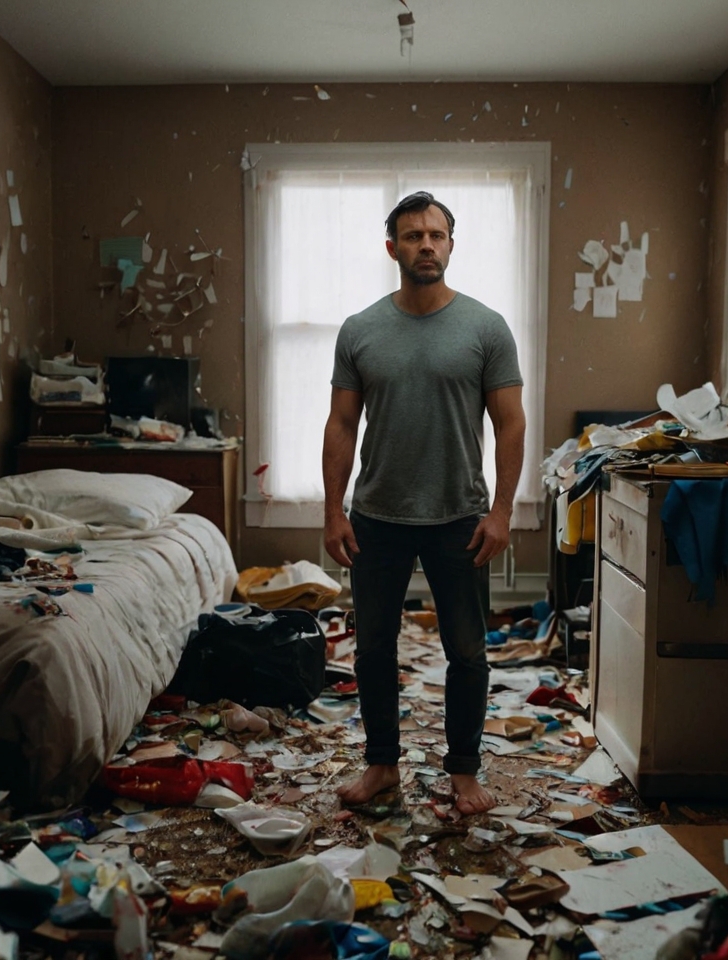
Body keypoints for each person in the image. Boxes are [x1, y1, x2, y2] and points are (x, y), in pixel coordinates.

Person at [322, 191, 526, 816]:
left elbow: (511, 424)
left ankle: (463, 772)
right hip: (377, 516)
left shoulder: (486, 327)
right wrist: (333, 509)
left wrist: (503, 512)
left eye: (436, 235)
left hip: (460, 517)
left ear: (451, 245)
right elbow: (340, 424)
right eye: (413, 236)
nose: (426, 245)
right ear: (393, 249)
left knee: (466, 650)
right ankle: (382, 765)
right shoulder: (360, 330)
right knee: (373, 648)